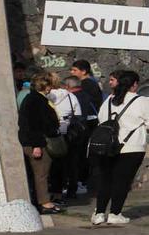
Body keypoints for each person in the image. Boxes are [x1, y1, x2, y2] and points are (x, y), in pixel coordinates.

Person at [90, 69, 149, 225]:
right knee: (122, 181)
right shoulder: (141, 101)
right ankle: (115, 213)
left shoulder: (110, 99)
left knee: (106, 179)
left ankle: (99, 213)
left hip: (107, 145)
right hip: (132, 146)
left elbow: (101, 119)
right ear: (135, 85)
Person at [17, 69, 64, 215]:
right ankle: (44, 202)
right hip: (38, 142)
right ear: (46, 85)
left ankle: (44, 201)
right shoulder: (36, 100)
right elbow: (34, 124)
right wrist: (37, 145)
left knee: (42, 173)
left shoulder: (34, 99)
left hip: (37, 141)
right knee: (41, 173)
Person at [66, 60, 102, 198]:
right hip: (89, 123)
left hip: (86, 124)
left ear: (84, 71)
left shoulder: (86, 85)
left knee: (81, 154)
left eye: (74, 70)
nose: (72, 72)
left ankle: (81, 182)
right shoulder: (92, 83)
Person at [44, 69, 82, 200]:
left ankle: (54, 192)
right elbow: (78, 115)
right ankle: (71, 190)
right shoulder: (71, 96)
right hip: (69, 134)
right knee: (71, 164)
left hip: (52, 135)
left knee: (53, 165)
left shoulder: (45, 96)